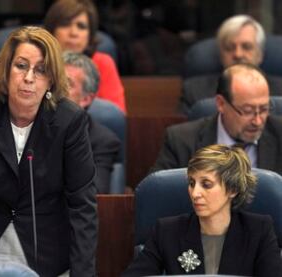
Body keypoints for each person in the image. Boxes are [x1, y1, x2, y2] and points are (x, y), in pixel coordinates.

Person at [0, 26, 98, 276]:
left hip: (49, 254)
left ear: (51, 79)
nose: (29, 78)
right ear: (6, 70)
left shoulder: (69, 121)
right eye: (21, 66)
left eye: (40, 70)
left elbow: (82, 206)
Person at [123, 144, 282, 276]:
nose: (195, 193)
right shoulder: (167, 231)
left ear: (233, 189)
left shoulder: (259, 230)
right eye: (192, 183)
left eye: (206, 184)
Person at [151, 63, 282, 175]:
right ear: (221, 104)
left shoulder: (279, 133)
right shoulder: (181, 141)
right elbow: (158, 195)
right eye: (247, 111)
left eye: (264, 109)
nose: (258, 121)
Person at [179, 14, 282, 114]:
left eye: (246, 47)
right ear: (220, 54)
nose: (238, 54)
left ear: (260, 54)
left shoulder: (280, 90)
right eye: (229, 48)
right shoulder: (193, 91)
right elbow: (185, 129)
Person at [44, 0, 126, 113]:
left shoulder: (102, 62)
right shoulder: (38, 60)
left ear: (90, 35)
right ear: (52, 30)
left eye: (81, 26)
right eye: (65, 24)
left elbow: (113, 115)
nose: (73, 33)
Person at [63, 51, 121, 193]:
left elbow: (95, 193)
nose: (56, 88)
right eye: (54, 81)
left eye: (66, 83)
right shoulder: (27, 125)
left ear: (86, 99)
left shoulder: (102, 141)